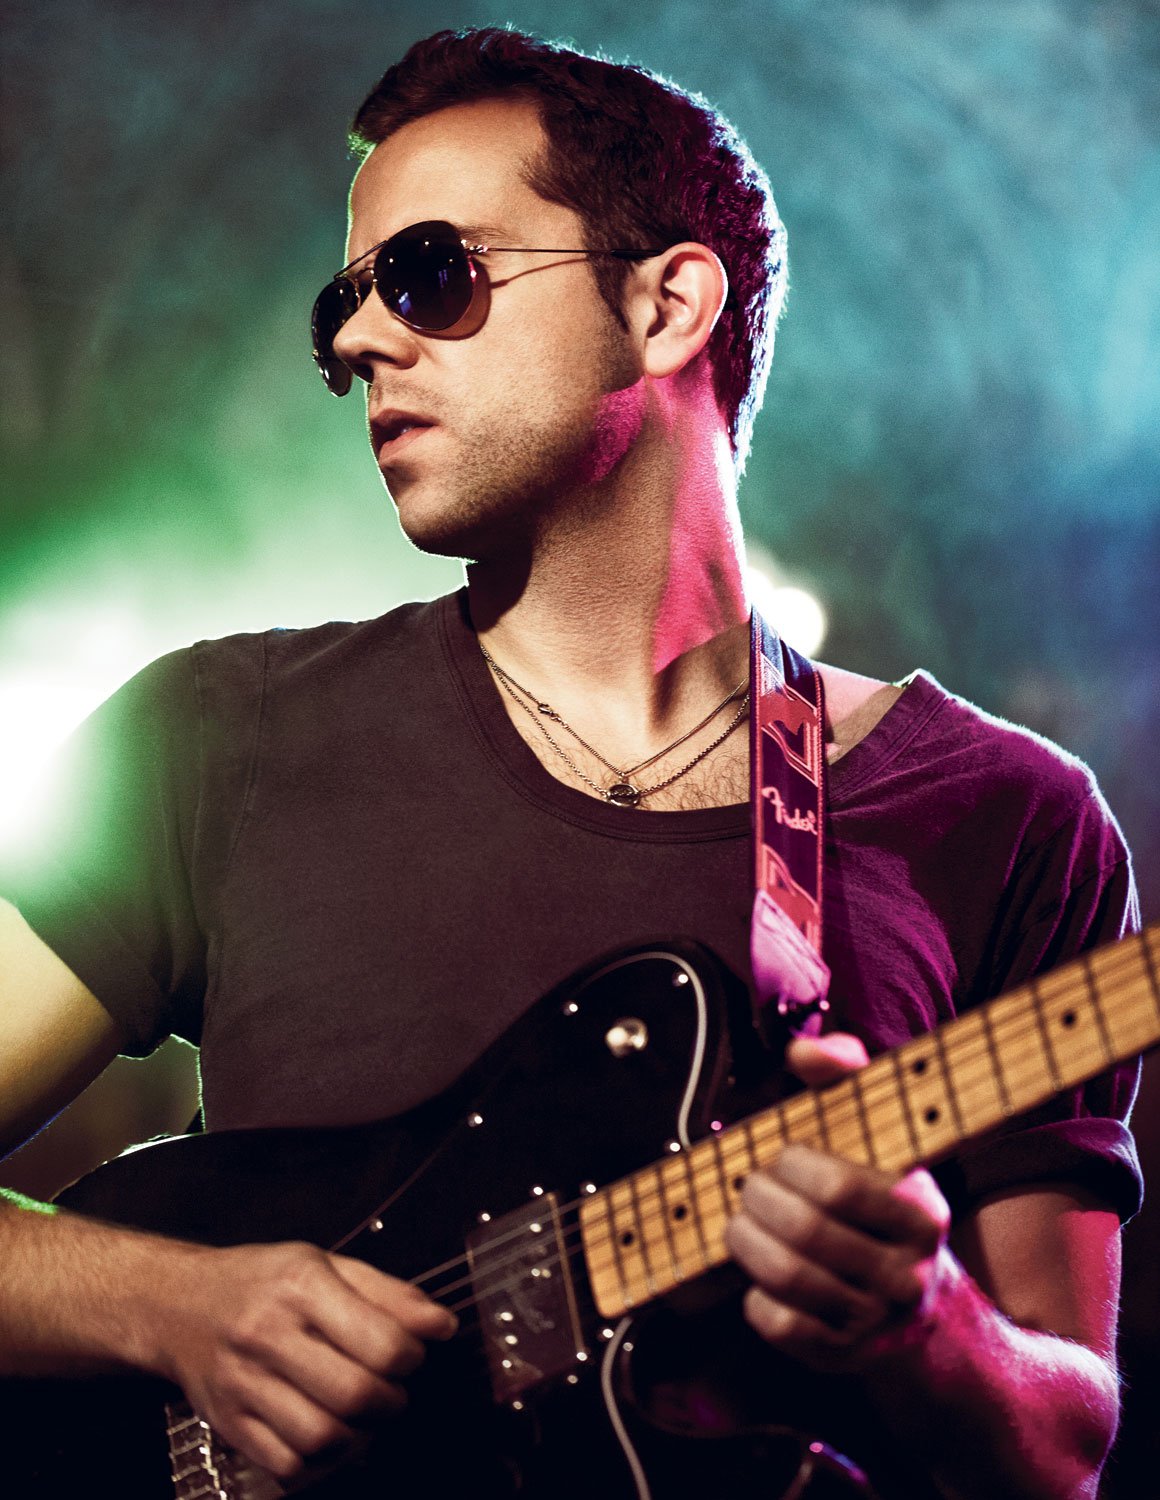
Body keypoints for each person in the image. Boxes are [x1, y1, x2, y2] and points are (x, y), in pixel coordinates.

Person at [0, 26, 1141, 1500]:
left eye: (427, 274)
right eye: (342, 307)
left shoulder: (1009, 819)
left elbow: (1061, 1453)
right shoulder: (216, 736)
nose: (358, 344)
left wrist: (921, 1325)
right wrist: (176, 1309)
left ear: (668, 307)